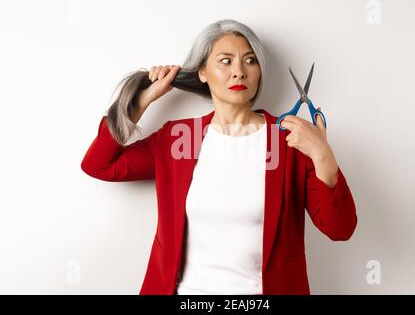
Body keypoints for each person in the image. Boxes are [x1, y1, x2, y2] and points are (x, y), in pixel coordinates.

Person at [81, 19, 357, 295]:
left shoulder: (291, 140)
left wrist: (323, 156)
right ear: (202, 71)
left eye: (250, 61)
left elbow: (340, 229)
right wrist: (140, 102)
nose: (239, 72)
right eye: (225, 61)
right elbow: (100, 165)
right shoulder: (176, 138)